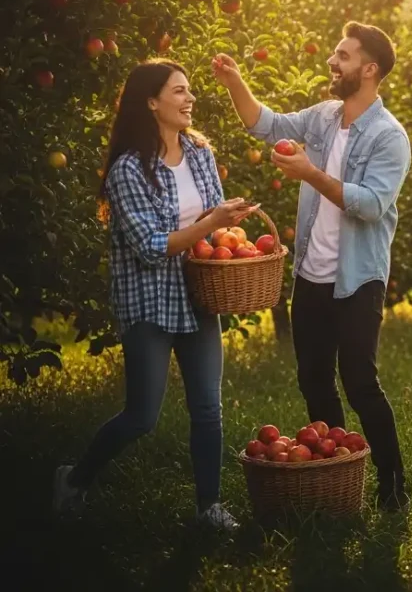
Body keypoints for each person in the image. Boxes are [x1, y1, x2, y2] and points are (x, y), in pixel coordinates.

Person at [211, 22, 412, 510]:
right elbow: (266, 124)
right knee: (314, 378)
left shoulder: (389, 136)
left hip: (357, 279)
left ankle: (392, 485)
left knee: (361, 382)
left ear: (369, 69)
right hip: (312, 276)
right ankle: (335, 471)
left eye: (342, 55)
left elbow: (369, 204)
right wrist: (235, 81)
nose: (332, 61)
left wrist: (310, 173)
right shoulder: (324, 117)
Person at [52, 60, 258, 530]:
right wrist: (212, 222)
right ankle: (74, 478)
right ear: (151, 102)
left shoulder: (201, 153)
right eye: (179, 92)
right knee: (142, 416)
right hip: (150, 299)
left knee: (208, 406)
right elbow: (150, 247)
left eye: (190, 91)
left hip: (199, 294)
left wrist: (231, 232)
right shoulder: (128, 171)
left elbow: (212, 229)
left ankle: (210, 508)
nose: (190, 100)